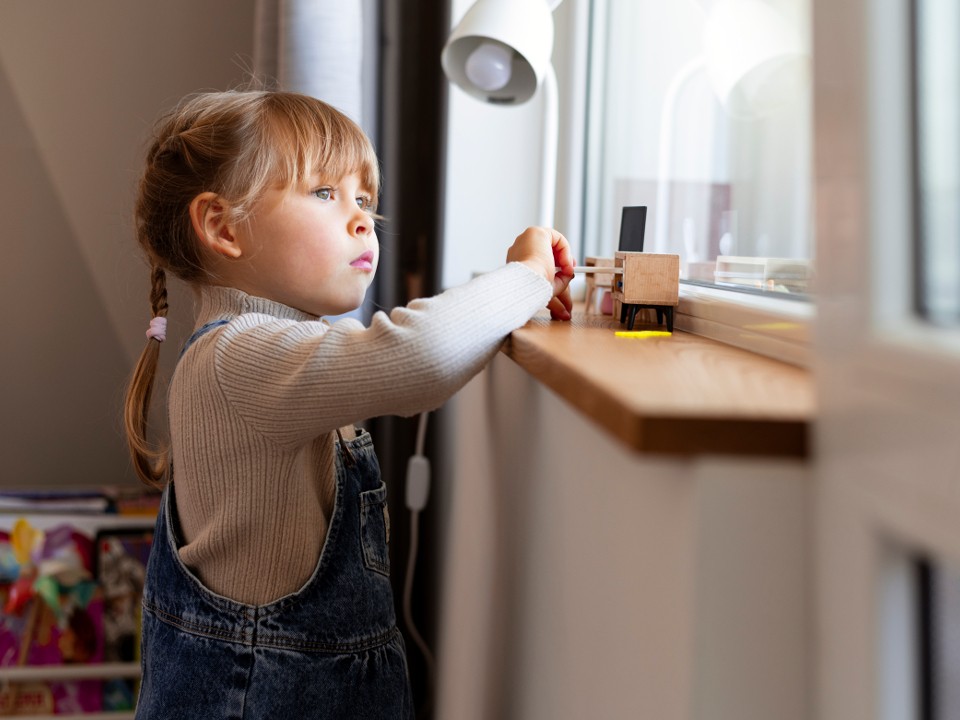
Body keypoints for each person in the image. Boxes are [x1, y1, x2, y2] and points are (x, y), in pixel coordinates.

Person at [124, 89, 574, 719]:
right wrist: (526, 276)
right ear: (225, 226)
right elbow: (423, 357)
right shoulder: (241, 357)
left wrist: (512, 300)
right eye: (324, 194)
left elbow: (419, 349)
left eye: (365, 200)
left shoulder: (287, 349)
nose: (363, 219)